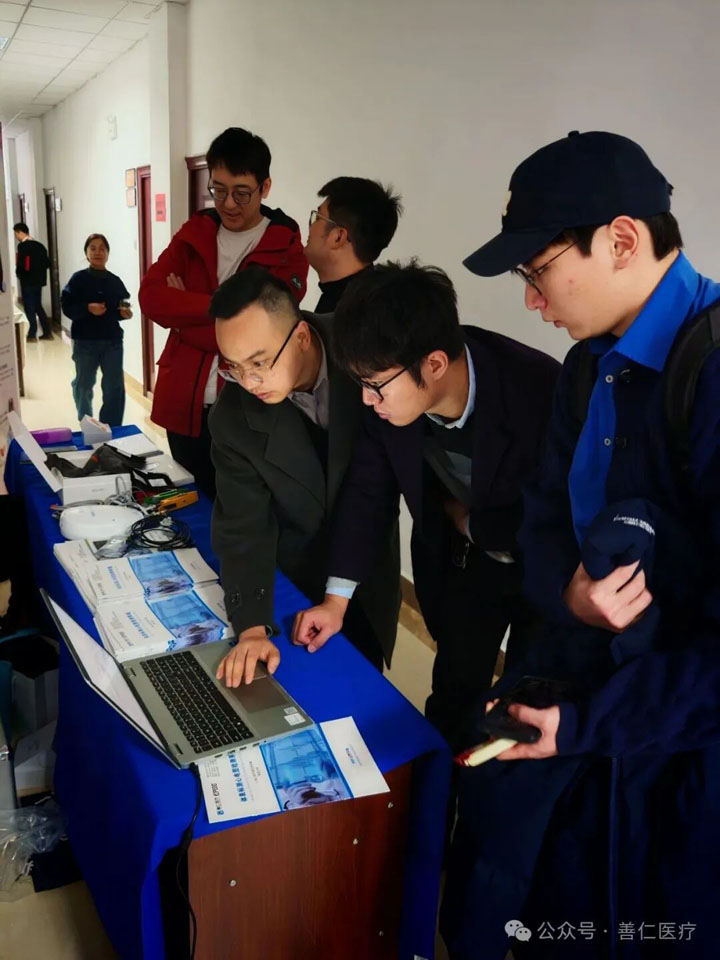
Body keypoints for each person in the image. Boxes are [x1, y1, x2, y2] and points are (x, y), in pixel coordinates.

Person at [441, 131, 720, 960]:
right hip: (578, 711)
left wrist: (594, 723)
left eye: (538, 271)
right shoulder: (584, 370)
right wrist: (566, 590)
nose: (533, 302)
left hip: (674, 749)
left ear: (623, 240)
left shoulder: (708, 375)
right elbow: (541, 523)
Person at [292, 261, 560, 749]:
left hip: (545, 566)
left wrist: (473, 524)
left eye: (375, 385)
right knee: (455, 693)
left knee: (529, 700)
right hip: (464, 564)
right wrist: (336, 601)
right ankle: (441, 782)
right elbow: (368, 492)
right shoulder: (388, 397)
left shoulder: (538, 388)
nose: (367, 400)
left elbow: (562, 509)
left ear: (434, 365)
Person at [209, 266, 399, 687]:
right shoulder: (233, 417)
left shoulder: (367, 350)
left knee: (366, 677)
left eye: (259, 362)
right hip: (296, 575)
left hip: (369, 565)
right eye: (233, 367)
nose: (249, 382)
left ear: (301, 337)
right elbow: (244, 527)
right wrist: (252, 630)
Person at [138, 127, 308, 499]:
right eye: (218, 190)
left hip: (249, 406)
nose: (228, 203)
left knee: (240, 506)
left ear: (265, 187)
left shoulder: (285, 246)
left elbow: (265, 331)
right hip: (185, 402)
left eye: (241, 193)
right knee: (191, 501)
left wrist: (185, 319)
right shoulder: (195, 232)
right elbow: (150, 297)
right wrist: (222, 308)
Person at [61, 234, 132, 427]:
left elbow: (122, 305)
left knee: (114, 387)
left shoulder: (115, 281)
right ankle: (87, 424)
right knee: (83, 385)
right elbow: (67, 307)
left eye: (102, 248)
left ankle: (111, 428)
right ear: (86, 253)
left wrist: (124, 313)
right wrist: (87, 309)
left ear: (108, 253)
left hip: (112, 342)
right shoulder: (78, 280)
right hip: (85, 341)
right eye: (93, 248)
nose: (97, 252)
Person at [304, 177, 402, 313]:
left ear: (338, 237)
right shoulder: (372, 302)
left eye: (318, 217)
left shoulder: (350, 314)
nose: (311, 226)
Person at [13, 222, 52, 342]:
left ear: (20, 232)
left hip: (27, 281)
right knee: (38, 306)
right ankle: (47, 332)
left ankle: (32, 335)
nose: (16, 237)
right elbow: (47, 263)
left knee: (29, 307)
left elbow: (21, 265)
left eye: (16, 234)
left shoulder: (23, 246)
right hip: (39, 281)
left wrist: (19, 274)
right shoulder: (40, 246)